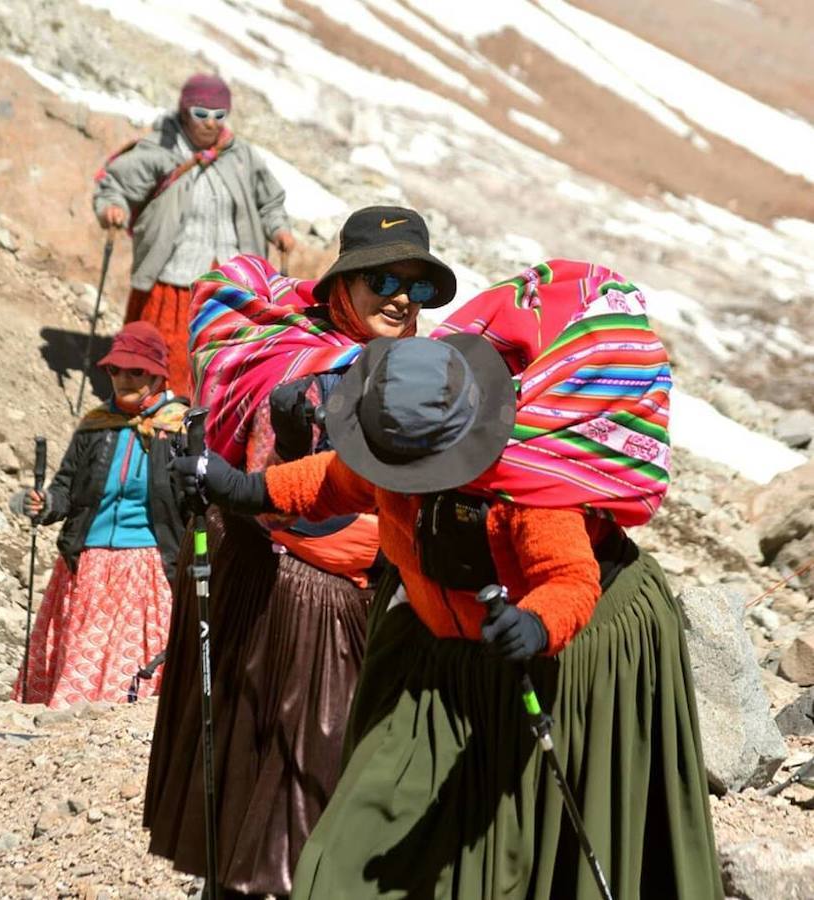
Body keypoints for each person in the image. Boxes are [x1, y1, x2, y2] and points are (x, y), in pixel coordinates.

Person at [173, 260, 724, 899]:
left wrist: (536, 623)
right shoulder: (391, 451)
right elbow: (331, 481)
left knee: (512, 857)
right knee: (349, 853)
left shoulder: (528, 494)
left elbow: (570, 580)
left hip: (529, 668)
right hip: (434, 666)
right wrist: (242, 487)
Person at [143, 207, 457, 898]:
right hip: (303, 599)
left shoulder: (399, 372)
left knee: (278, 781)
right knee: (293, 786)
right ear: (344, 284)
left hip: (319, 591)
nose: (404, 300)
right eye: (384, 279)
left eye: (421, 288)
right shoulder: (314, 363)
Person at [11, 322, 188, 708]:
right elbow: (67, 489)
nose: (123, 379)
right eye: (115, 370)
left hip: (146, 572)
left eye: (135, 371)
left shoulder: (180, 430)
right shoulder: (96, 425)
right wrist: (47, 504)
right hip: (85, 570)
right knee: (77, 678)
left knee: (121, 686)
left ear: (158, 373)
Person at [93, 73, 296, 397]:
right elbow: (113, 185)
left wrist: (279, 228)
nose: (210, 124)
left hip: (233, 280)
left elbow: (269, 200)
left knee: (230, 353)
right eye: (201, 115)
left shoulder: (242, 156)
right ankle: (162, 417)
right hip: (174, 275)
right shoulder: (159, 150)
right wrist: (112, 210)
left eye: (219, 116)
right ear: (186, 112)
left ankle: (222, 417)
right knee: (170, 351)